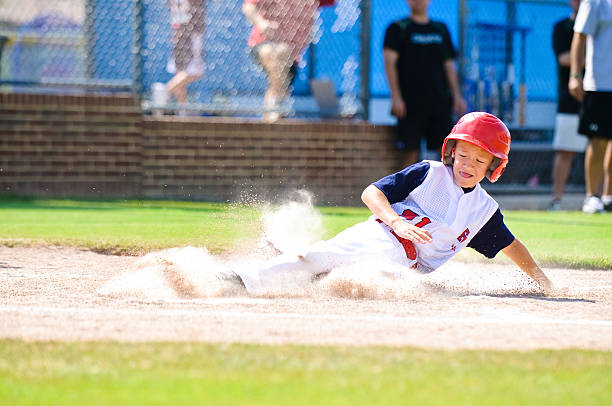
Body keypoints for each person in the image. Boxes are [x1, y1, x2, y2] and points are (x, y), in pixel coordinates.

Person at [225, 113, 553, 296]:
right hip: (380, 235)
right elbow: (372, 192)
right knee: (317, 257)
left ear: (494, 167)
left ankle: (287, 264)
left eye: (479, 159)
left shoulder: (482, 211)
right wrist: (396, 222)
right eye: (463, 153)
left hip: (402, 268)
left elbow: (511, 246)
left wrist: (546, 283)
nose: (466, 164)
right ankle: (240, 279)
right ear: (451, 150)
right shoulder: (429, 172)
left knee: (345, 279)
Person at [383, 0, 467, 169]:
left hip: (439, 102)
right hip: (409, 104)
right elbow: (389, 64)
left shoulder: (441, 29)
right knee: (409, 152)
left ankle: (445, 194)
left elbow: (449, 66)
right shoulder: (398, 28)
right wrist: (396, 98)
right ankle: (406, 193)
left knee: (446, 153)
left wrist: (457, 96)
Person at [242, 0, 321, 122]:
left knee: (277, 82)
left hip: (293, 56)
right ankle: (276, 106)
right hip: (265, 43)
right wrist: (261, 23)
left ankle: (272, 112)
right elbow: (248, 6)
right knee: (278, 52)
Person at [569, 0, 612, 213]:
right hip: (600, 84)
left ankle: (608, 196)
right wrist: (576, 75)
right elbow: (580, 34)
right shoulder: (596, 1)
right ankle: (592, 197)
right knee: (598, 140)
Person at [549, 0, 587, 211]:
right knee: (565, 151)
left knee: (601, 148)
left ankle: (599, 199)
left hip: (597, 95)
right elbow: (564, 58)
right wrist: (588, 53)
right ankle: (556, 200)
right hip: (569, 98)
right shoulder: (561, 26)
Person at [165, 0, 206, 110]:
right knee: (197, 72)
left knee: (180, 76)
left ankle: (183, 114)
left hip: (177, 34)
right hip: (192, 34)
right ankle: (166, 91)